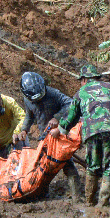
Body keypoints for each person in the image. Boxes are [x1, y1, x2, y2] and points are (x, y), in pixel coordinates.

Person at [49, 65, 110, 207]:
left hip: (92, 132)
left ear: (84, 79)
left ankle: (90, 202)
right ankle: (102, 202)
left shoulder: (80, 93)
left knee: (93, 166)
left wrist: (60, 130)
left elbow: (71, 117)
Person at [20, 71, 81, 202]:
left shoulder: (52, 93)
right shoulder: (27, 100)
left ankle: (77, 196)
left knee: (67, 164)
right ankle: (42, 194)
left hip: (59, 134)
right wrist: (24, 129)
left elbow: (70, 103)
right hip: (45, 136)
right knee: (43, 167)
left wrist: (57, 118)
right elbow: (29, 115)